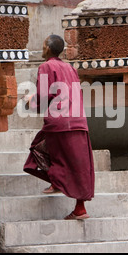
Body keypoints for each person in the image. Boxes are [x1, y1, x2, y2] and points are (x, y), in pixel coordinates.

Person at [23, 35, 95, 220]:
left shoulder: (46, 66)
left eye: (43, 44)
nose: (42, 47)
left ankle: (57, 181)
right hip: (78, 121)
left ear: (47, 48)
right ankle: (80, 208)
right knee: (79, 166)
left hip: (60, 122)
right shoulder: (70, 68)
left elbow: (43, 95)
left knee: (38, 150)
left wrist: (30, 101)